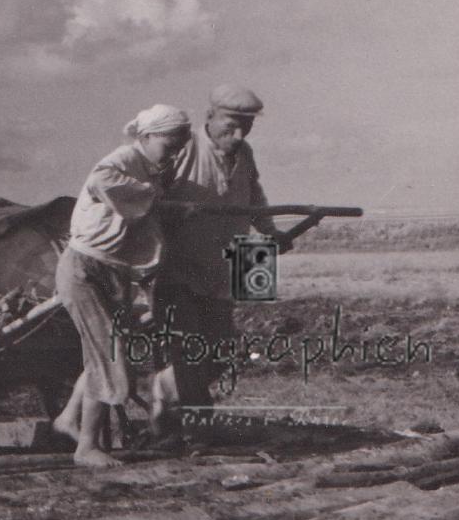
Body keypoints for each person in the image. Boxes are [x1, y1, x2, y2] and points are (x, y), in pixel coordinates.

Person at [52, 105, 191, 467]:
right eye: (168, 146)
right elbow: (102, 182)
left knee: (105, 350)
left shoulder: (156, 168)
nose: (173, 154)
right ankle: (86, 447)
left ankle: (68, 418)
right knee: (109, 352)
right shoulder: (124, 159)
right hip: (84, 268)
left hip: (115, 271)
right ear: (146, 136)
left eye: (179, 147)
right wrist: (152, 196)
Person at [156, 85, 288, 422]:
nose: (239, 135)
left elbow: (254, 195)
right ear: (210, 117)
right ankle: (192, 423)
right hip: (179, 267)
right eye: (231, 126)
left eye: (247, 126)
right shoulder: (182, 147)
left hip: (226, 266)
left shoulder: (246, 153)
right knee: (188, 348)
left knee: (222, 351)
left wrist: (271, 231)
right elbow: (147, 198)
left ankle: (168, 392)